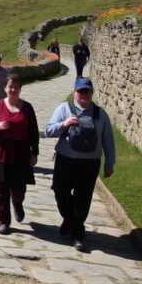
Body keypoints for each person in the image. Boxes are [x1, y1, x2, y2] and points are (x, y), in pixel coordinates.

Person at [44, 77, 116, 251]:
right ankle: (69, 219)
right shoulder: (64, 109)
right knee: (61, 193)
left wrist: (110, 162)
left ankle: (77, 233)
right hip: (65, 159)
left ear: (92, 93)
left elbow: (108, 139)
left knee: (83, 199)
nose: (84, 94)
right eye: (80, 91)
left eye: (87, 91)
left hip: (90, 163)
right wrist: (64, 123)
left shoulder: (100, 114)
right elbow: (48, 131)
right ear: (75, 92)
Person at [0, 74, 38, 235]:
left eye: (16, 87)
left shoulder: (27, 108)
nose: (13, 89)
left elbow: (33, 131)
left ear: (20, 89)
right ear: (5, 89)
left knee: (19, 188)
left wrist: (34, 152)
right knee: (1, 190)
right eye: (10, 87)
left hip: (20, 154)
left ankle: (17, 202)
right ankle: (4, 221)